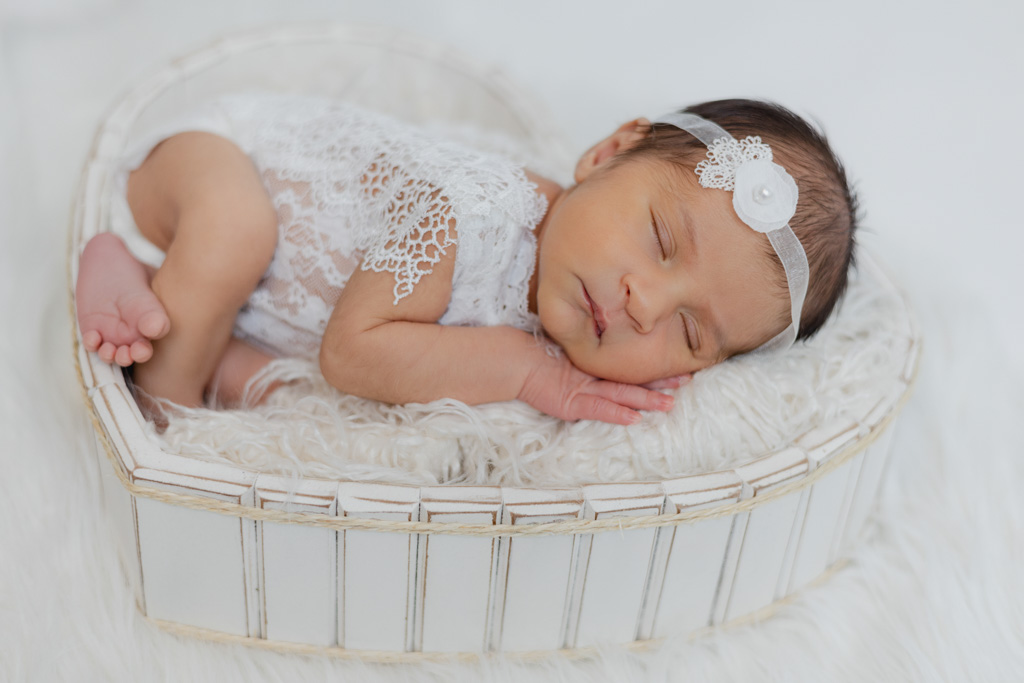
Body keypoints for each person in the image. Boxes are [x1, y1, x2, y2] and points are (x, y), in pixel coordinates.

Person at [75, 94, 857, 426]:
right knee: (235, 231)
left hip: (262, 302)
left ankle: (137, 284)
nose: (644, 302)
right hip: (208, 167)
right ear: (608, 152)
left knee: (284, 391)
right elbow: (355, 352)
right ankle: (162, 401)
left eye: (689, 331)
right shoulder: (468, 209)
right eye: (660, 240)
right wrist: (529, 372)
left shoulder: (563, 306)